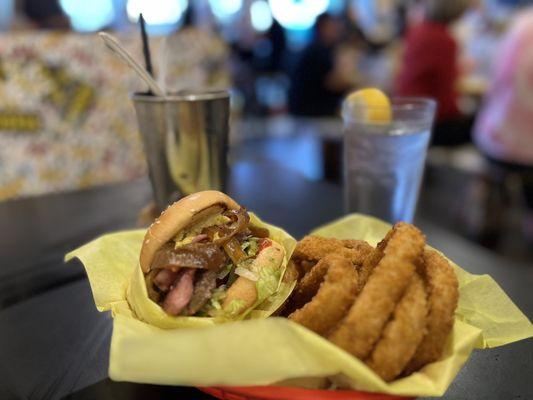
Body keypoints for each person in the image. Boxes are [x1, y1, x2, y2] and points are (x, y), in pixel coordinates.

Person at [473, 6, 533, 241]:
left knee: (492, 189)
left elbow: (495, 78)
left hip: (496, 136)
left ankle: (486, 229)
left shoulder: (521, 24)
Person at [395, 0, 470, 146]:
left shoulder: (417, 31)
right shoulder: (446, 40)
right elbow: (446, 95)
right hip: (432, 120)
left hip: (406, 112)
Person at [288, 13, 352, 117]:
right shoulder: (318, 50)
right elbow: (332, 82)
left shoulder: (321, 48)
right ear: (322, 27)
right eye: (333, 25)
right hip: (310, 115)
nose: (337, 29)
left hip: (308, 113)